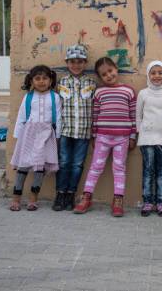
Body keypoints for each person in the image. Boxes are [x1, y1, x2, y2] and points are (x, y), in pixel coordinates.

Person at [74, 57, 137, 217]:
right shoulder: (99, 92)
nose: (108, 75)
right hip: (102, 137)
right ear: (100, 77)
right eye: (104, 74)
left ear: (116, 69)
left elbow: (133, 115)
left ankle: (118, 200)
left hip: (122, 139)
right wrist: (94, 135)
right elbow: (95, 115)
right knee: (95, 167)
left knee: (119, 169)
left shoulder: (128, 91)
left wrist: (132, 136)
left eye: (110, 71)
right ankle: (86, 197)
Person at [9, 65, 61, 212]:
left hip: (46, 135)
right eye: (37, 78)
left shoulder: (55, 97)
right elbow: (21, 117)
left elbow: (59, 118)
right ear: (31, 81)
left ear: (51, 80)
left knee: (39, 168)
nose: (41, 81)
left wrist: (57, 137)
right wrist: (18, 137)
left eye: (45, 78)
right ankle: (16, 198)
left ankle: (33, 199)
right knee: (23, 167)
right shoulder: (28, 97)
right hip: (29, 135)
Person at [52, 45, 97, 212]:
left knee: (77, 164)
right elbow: (57, 107)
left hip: (84, 132)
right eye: (72, 62)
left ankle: (71, 194)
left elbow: (95, 107)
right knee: (63, 163)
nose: (76, 65)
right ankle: (60, 193)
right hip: (66, 131)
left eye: (79, 62)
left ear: (85, 63)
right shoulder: (61, 82)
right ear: (67, 63)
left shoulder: (91, 83)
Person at [136, 60, 162, 217]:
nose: (157, 76)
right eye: (153, 73)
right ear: (148, 75)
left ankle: (160, 202)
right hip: (147, 139)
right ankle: (147, 201)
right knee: (148, 171)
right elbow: (138, 116)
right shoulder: (143, 93)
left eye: (160, 72)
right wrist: (141, 132)